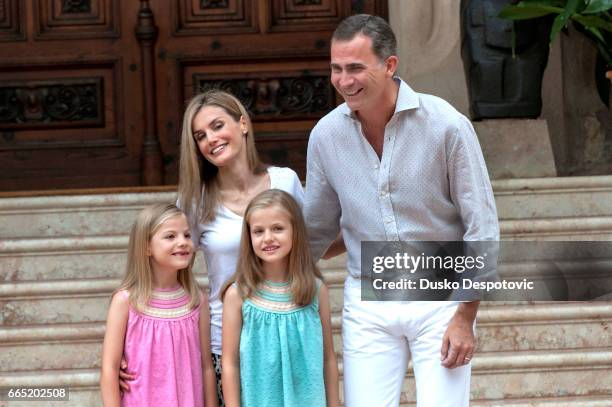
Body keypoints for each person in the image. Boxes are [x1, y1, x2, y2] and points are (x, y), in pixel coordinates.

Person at [304, 14, 500, 407]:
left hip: (441, 297)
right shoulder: (326, 135)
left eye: (356, 68)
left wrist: (465, 316)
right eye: (336, 69)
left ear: (389, 65)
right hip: (368, 301)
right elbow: (316, 230)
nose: (344, 81)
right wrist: (261, 282)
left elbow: (481, 226)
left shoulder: (446, 125)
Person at [119, 90, 306, 405]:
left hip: (285, 331)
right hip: (225, 342)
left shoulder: (285, 182)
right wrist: (132, 345)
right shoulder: (196, 200)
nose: (210, 139)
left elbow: (306, 248)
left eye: (218, 126)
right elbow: (164, 265)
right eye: (200, 136)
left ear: (243, 123)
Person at [221, 189, 339, 407]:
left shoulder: (315, 290)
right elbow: (229, 363)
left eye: (277, 228)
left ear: (296, 231)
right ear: (249, 237)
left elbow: (328, 358)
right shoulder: (238, 294)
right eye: (258, 231)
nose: (268, 238)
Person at [100, 204, 217, 407]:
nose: (183, 242)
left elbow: (206, 366)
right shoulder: (126, 301)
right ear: (146, 247)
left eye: (187, 235)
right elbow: (109, 369)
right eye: (170, 236)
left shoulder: (197, 300)